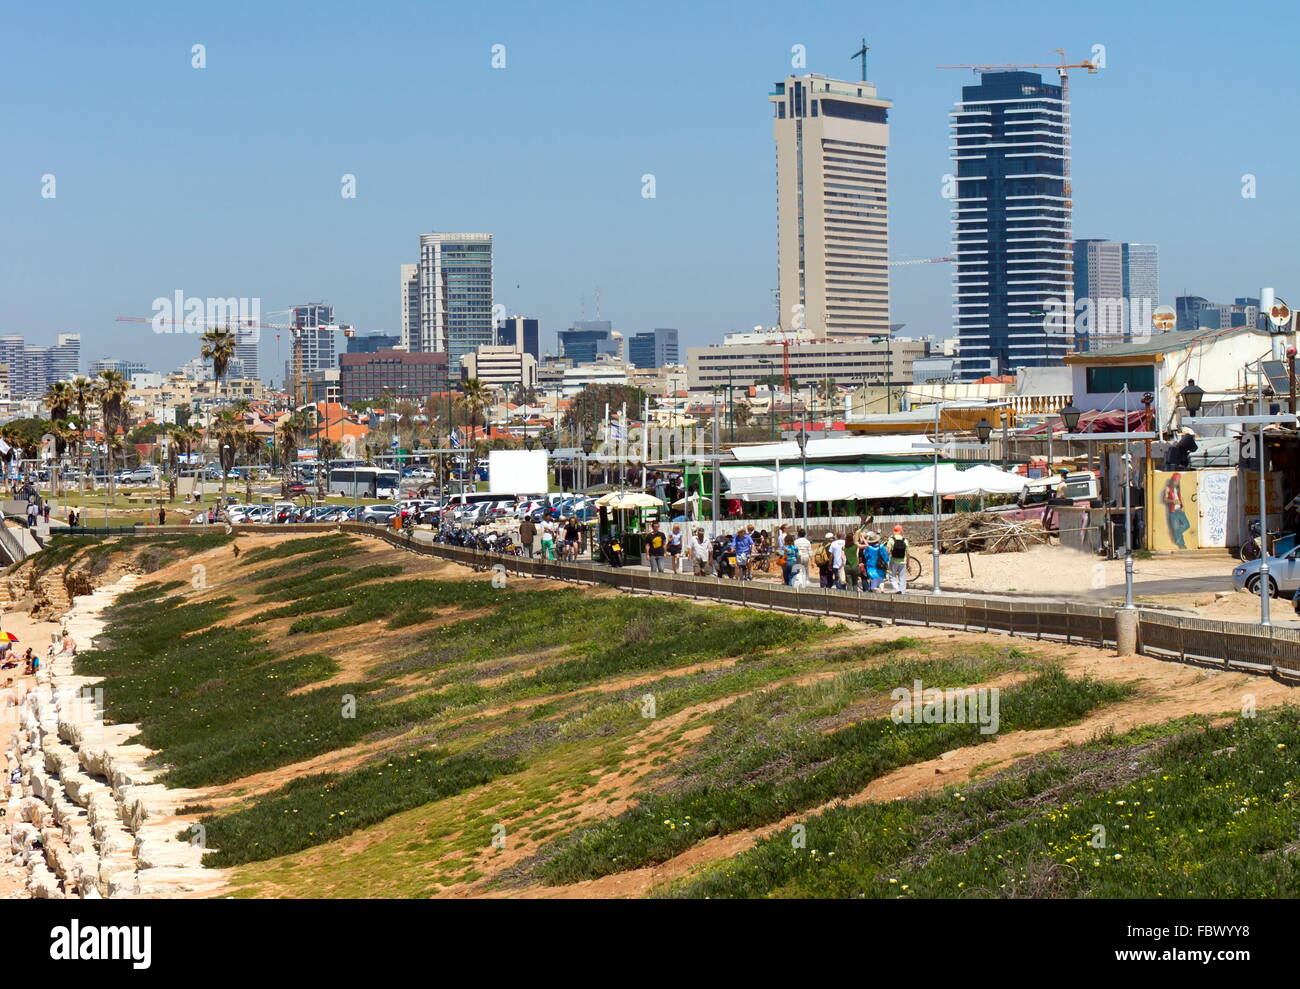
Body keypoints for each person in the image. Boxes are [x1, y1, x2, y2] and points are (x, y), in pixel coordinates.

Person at [885, 524, 909, 593]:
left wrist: (887, 561)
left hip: (894, 561)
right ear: (901, 531)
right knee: (902, 577)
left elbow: (888, 551)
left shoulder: (891, 540)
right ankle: (903, 592)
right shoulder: (905, 540)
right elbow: (908, 553)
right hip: (903, 561)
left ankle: (897, 589)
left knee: (891, 576)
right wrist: (908, 563)